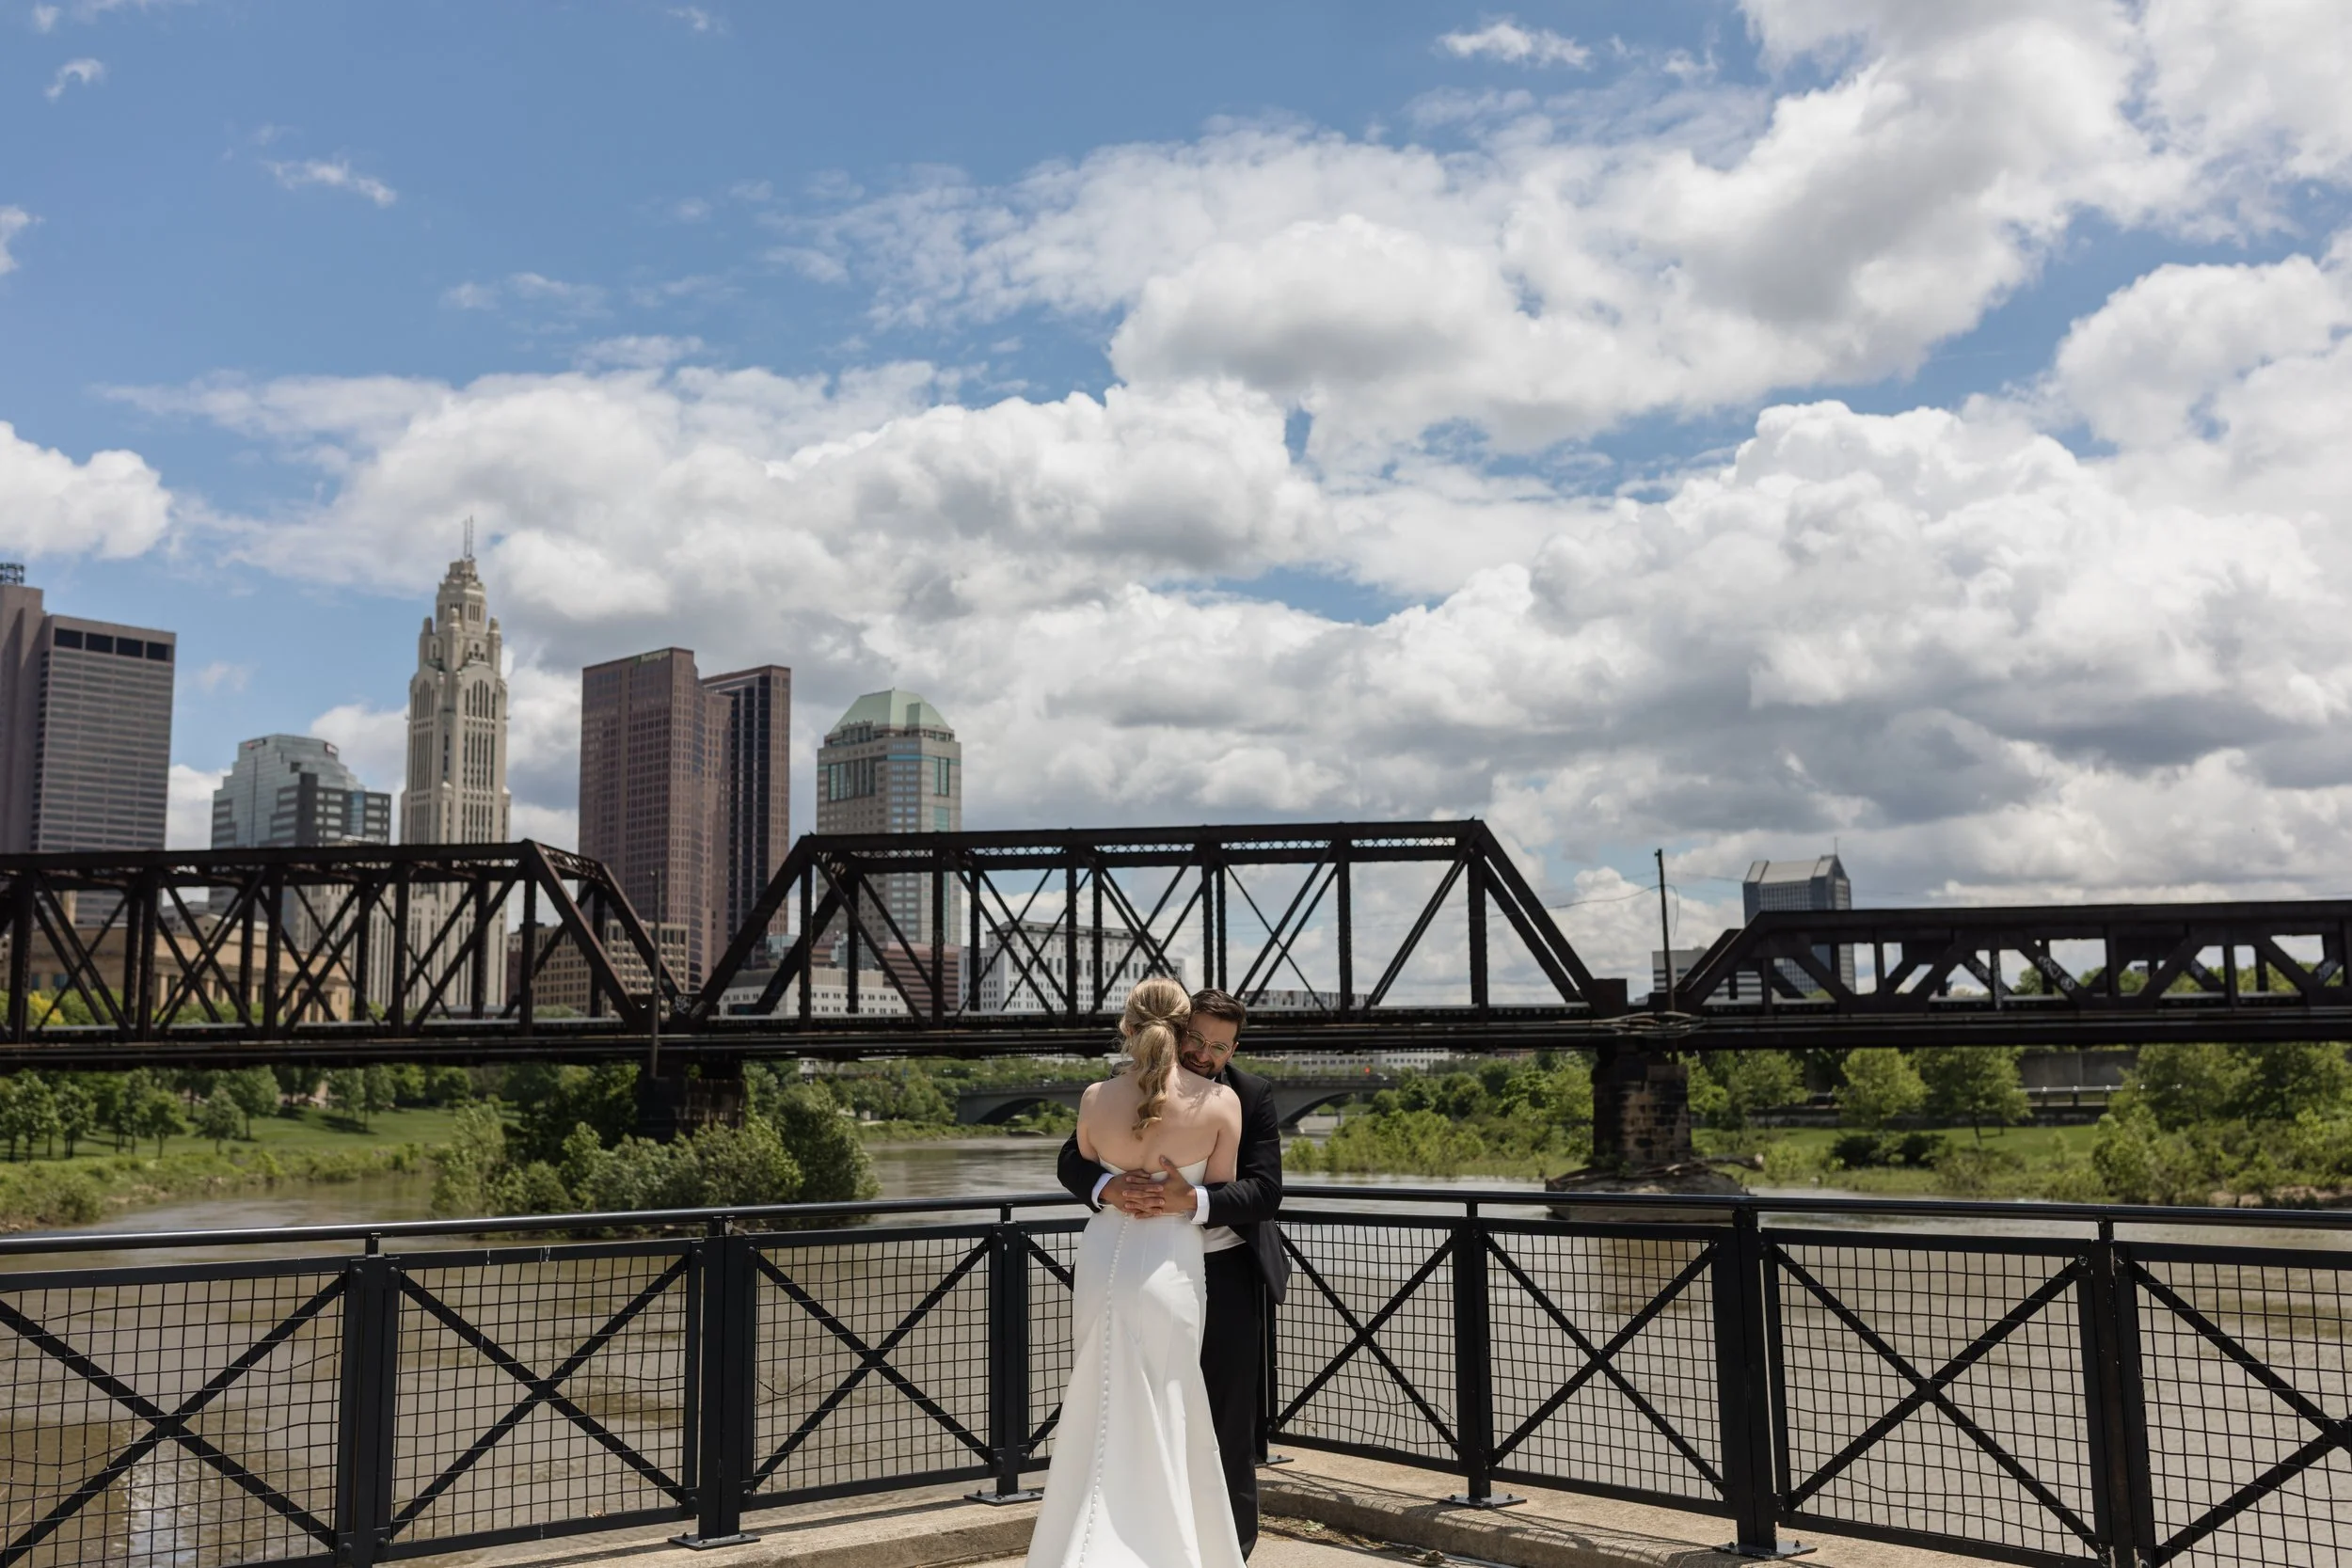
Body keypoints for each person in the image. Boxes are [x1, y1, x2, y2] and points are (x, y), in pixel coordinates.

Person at [1051, 987, 1288, 1560]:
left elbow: (1264, 1191)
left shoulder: (1249, 1095)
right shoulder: (1124, 1085)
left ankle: (1232, 1546)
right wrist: (1110, 1186)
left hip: (1226, 1272)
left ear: (1235, 1050)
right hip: (1154, 1270)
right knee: (1140, 1405)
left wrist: (1193, 1201)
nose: (1206, 1054)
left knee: (1227, 1421)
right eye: (1198, 1039)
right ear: (1177, 1030)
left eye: (1221, 1047)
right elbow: (1071, 1161)